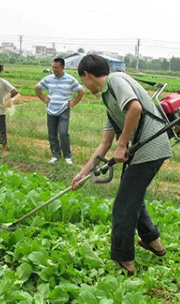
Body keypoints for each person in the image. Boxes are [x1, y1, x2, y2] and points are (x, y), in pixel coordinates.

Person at [71, 54, 172, 275]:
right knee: (132, 198)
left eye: (82, 80)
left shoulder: (116, 80)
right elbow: (105, 143)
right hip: (141, 150)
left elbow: (135, 109)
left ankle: (125, 259)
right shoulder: (108, 99)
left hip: (149, 148)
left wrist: (122, 145)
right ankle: (154, 243)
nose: (83, 85)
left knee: (124, 205)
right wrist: (82, 173)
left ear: (87, 75)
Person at [35, 57, 84, 164]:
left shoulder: (70, 79)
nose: (54, 69)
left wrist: (73, 103)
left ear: (62, 67)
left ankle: (67, 156)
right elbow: (37, 88)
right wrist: (44, 99)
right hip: (51, 109)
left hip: (64, 109)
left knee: (63, 132)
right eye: (53, 67)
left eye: (56, 67)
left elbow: (81, 91)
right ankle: (55, 155)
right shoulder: (48, 79)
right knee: (52, 134)